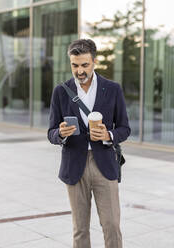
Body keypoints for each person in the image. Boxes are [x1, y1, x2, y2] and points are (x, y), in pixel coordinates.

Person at [47, 39, 130, 248]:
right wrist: (61, 134)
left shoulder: (112, 89)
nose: (79, 71)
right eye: (75, 65)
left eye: (84, 65)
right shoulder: (61, 91)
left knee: (111, 225)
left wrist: (107, 134)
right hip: (75, 165)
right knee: (80, 229)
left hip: (104, 164)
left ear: (94, 61)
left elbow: (125, 129)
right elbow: (51, 132)